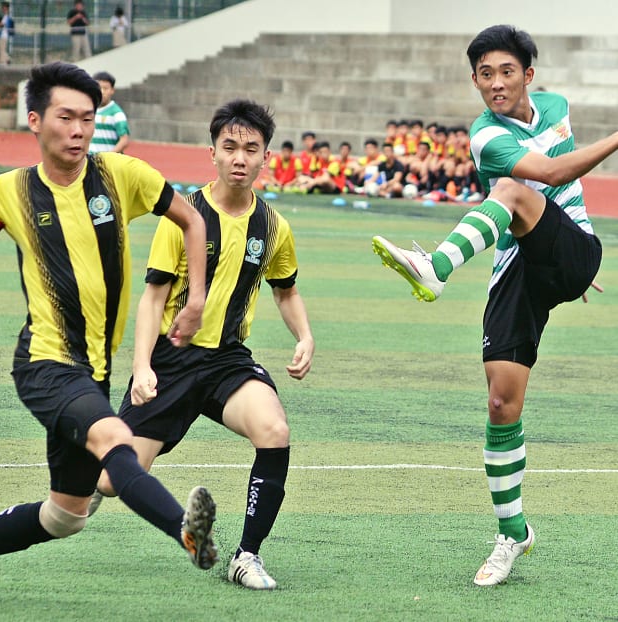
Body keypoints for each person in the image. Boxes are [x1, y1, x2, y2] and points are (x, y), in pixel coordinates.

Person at [0, 62, 218, 601]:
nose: (78, 129)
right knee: (114, 438)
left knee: (66, 516)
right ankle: (184, 531)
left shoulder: (120, 175)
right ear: (35, 120)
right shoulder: (9, 191)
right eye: (66, 117)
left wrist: (194, 299)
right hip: (44, 362)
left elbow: (192, 219)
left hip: (93, 373)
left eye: (87, 117)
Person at [372, 24, 611, 586]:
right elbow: (551, 172)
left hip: (571, 248)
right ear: (475, 81)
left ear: (529, 75)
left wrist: (569, 267)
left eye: (507, 71)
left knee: (510, 192)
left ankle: (437, 267)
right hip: (520, 269)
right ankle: (513, 533)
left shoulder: (556, 105)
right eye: (485, 74)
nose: (496, 83)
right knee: (501, 404)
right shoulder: (484, 136)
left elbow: (554, 186)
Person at [90, 99, 314, 591]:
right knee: (109, 481)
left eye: (250, 149)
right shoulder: (185, 215)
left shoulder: (274, 228)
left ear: (265, 158)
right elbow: (152, 299)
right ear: (211, 151)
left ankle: (246, 557)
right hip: (170, 361)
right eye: (229, 146)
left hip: (228, 361)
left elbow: (287, 290)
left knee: (274, 430)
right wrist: (143, 366)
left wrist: (304, 335)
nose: (239, 157)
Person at [88, 71, 129, 154]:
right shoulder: (88, 110)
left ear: (112, 90)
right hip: (90, 160)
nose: (102, 92)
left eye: (105, 88)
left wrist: (108, 157)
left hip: (107, 163)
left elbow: (124, 140)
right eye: (99, 88)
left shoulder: (117, 113)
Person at [0, 2, 15, 66]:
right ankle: (8, 59)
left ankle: (3, 64)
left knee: (2, 51)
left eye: (4, 7)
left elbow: (1, 25)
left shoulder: (6, 17)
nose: (2, 9)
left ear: (7, 8)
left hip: (3, 36)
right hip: (0, 35)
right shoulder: (4, 16)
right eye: (2, 7)